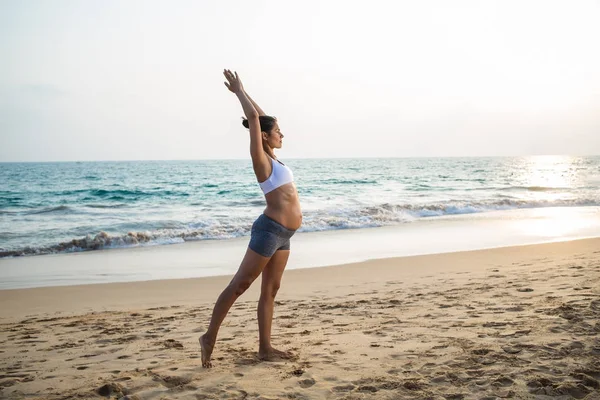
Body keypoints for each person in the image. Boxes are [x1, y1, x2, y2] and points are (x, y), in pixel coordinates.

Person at [199, 69, 303, 368]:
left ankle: (265, 348)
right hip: (269, 231)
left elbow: (260, 117)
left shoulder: (273, 154)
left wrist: (251, 103)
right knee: (240, 285)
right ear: (265, 137)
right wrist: (239, 92)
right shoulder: (261, 159)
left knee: (270, 290)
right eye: (278, 131)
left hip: (285, 234)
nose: (282, 134)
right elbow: (256, 121)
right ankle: (209, 337)